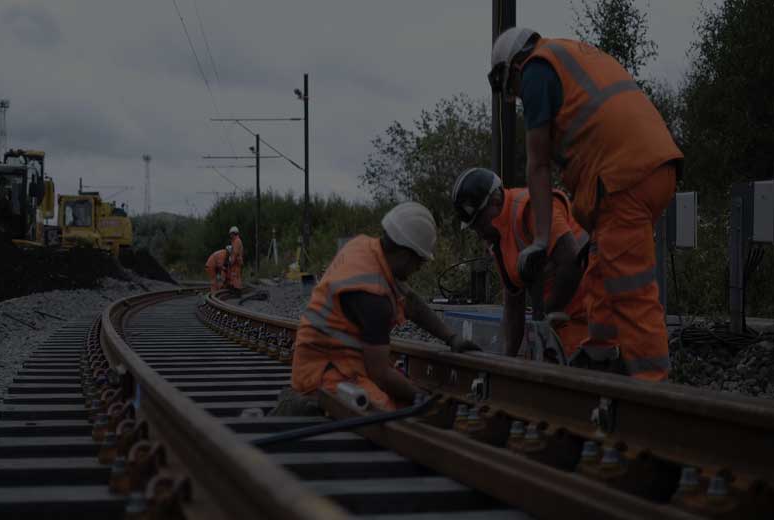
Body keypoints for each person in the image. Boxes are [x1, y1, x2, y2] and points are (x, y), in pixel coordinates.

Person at [488, 28, 683, 381]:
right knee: (600, 271)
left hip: (623, 179)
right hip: (654, 168)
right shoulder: (567, 54)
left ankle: (654, 389)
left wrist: (540, 240)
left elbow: (538, 164)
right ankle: (600, 355)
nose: (519, 96)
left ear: (512, 69)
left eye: (513, 91)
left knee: (632, 290)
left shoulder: (535, 70)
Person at [290, 202, 481, 411]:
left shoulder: (365, 248)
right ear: (406, 255)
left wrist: (452, 338)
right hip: (322, 373)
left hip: (336, 359)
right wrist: (421, 397)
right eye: (420, 261)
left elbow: (411, 302)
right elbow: (380, 375)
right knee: (385, 411)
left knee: (401, 399)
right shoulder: (373, 298)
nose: (419, 268)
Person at [452, 167, 588, 360]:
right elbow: (514, 305)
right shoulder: (498, 238)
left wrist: (544, 318)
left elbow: (572, 261)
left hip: (591, 316)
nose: (480, 233)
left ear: (495, 200)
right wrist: (506, 361)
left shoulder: (531, 208)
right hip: (560, 323)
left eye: (480, 223)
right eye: (474, 227)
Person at [228, 226, 244, 291]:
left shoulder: (237, 241)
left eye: (231, 234)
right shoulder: (235, 241)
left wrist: (231, 261)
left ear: (233, 233)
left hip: (236, 262)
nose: (230, 236)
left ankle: (237, 290)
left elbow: (235, 253)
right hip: (237, 262)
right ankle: (235, 289)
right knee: (235, 276)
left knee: (236, 276)